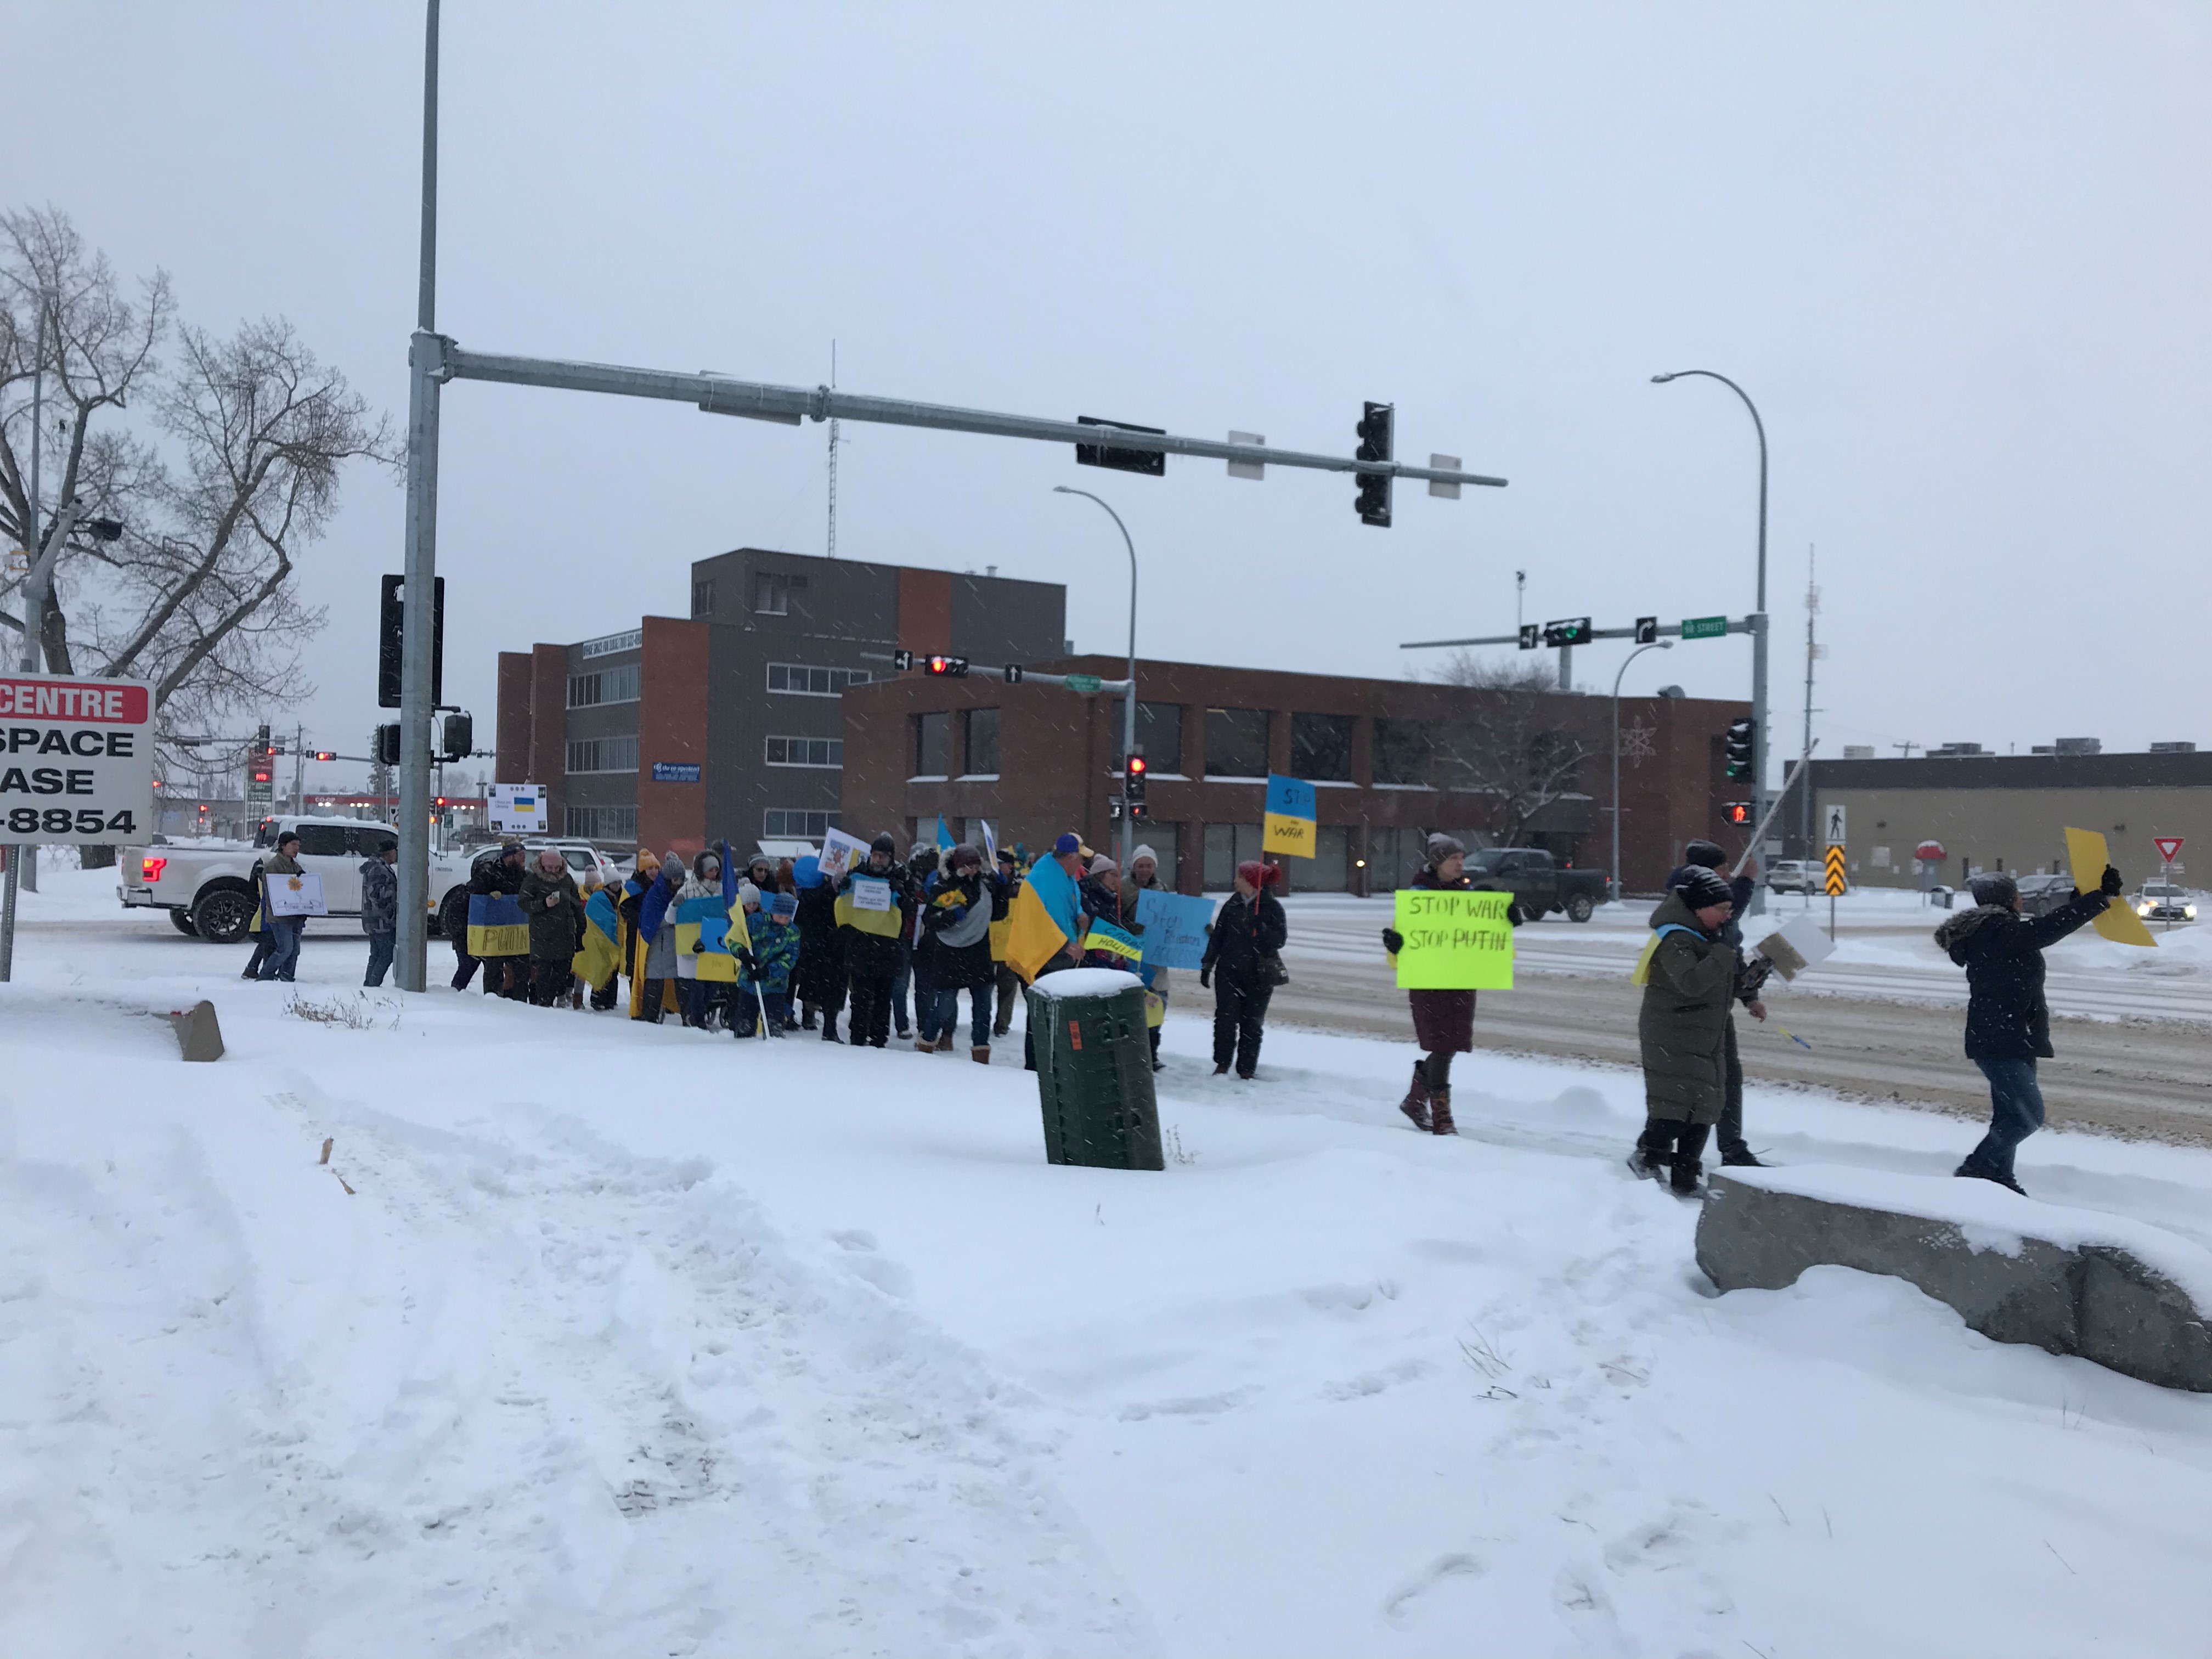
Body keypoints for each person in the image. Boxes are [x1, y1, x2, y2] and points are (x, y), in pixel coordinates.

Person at [1934, 864, 2119, 1195]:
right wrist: (2097, 899)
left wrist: (2081, 902)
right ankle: (1975, 1169)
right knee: (2028, 1117)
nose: (2022, 900)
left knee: (2009, 1116)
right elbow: (2046, 930)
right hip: (2000, 1039)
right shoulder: (1997, 932)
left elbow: (2042, 929)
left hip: (2012, 1037)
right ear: (2009, 901)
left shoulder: (1995, 930)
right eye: (2018, 894)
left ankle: (2001, 1181)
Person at [1380, 833, 1526, 1136]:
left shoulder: (1469, 896)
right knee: (1442, 1046)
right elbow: (1402, 947)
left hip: (1460, 982)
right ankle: (1442, 1118)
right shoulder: (1418, 898)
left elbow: (1484, 938)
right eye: (1453, 858)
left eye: (1462, 857)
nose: (1461, 863)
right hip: (1429, 983)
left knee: (1452, 1044)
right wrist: (1395, 945)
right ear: (1437, 863)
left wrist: (1507, 920)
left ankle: (1416, 1099)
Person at [1630, 867, 1741, 1195]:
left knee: (1705, 1107)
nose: (1727, 916)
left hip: (1705, 1035)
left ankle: (1686, 1177)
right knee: (1674, 1105)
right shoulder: (1675, 938)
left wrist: (1749, 985)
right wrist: (1723, 952)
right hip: (1672, 1033)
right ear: (1698, 907)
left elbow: (1718, 984)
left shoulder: (1708, 937)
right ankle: (1648, 1158)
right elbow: (1692, 982)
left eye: (1728, 910)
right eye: (1720, 909)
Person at [1663, 838, 1771, 1166]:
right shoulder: (1686, 907)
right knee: (1694, 1086)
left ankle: (1731, 1148)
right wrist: (1747, 883)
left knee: (1726, 1079)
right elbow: (1719, 946)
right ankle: (1654, 1148)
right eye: (1723, 869)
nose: (1729, 873)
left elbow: (1728, 954)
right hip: (1692, 1011)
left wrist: (1749, 993)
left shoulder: (1712, 907)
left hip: (1717, 1005)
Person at [1200, 860, 1286, 1080]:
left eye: (1239, 876)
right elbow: (1218, 937)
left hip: (1259, 974)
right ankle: (1222, 1063)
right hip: (1229, 972)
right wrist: (1208, 964)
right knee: (1225, 1019)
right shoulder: (1232, 905)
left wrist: (1263, 928)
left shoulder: (1272, 907)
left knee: (1252, 1022)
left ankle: (1247, 1068)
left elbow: (1279, 940)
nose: (1235, 880)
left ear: (1250, 880)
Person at [920, 844, 997, 1060]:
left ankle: (981, 1051)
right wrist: (953, 916)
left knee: (983, 1007)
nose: (974, 870)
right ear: (959, 866)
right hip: (950, 956)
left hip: (979, 953)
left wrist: (1002, 889)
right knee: (945, 1005)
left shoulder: (985, 886)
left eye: (976, 865)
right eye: (969, 866)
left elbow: (998, 914)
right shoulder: (943, 886)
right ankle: (927, 1042)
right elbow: (930, 919)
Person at [841, 833, 912, 1048]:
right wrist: (842, 885)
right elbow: (841, 897)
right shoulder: (858, 873)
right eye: (874, 855)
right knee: (860, 996)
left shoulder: (901, 876)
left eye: (882, 856)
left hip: (889, 947)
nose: (877, 860)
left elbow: (911, 910)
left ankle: (879, 1038)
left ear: (891, 857)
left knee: (883, 997)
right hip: (861, 944)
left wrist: (901, 894)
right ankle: (858, 1036)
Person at [792, 854, 848, 1040]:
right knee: (833, 987)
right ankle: (829, 1027)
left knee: (811, 982)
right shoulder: (825, 893)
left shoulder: (802, 897)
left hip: (812, 947)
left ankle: (810, 1016)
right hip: (832, 946)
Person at [520, 847, 584, 1007]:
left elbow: (576, 905)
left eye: (557, 868)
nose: (554, 871)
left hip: (564, 935)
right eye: (550, 868)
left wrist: (581, 926)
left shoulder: (567, 880)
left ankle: (556, 999)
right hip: (542, 935)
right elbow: (523, 903)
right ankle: (544, 1004)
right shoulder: (533, 880)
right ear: (542, 865)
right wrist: (544, 904)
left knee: (562, 972)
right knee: (544, 973)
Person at [733, 879, 799, 1037]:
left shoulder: (792, 932)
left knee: (774, 1027)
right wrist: (742, 954)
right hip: (749, 983)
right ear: (773, 911)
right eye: (780, 916)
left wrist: (768, 971)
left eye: (787, 917)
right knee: (745, 1025)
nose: (784, 920)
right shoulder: (755, 922)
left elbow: (790, 958)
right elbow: (734, 940)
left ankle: (772, 1054)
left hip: (775, 986)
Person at [625, 850, 685, 1021]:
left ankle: (682, 1014)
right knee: (654, 982)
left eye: (680, 880)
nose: (678, 883)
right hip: (656, 945)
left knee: (679, 981)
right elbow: (650, 921)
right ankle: (649, 1016)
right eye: (675, 880)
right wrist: (674, 915)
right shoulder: (654, 894)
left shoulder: (678, 891)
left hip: (675, 946)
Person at [1127, 843, 1170, 1070]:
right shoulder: (1123, 890)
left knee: (1157, 1007)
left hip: (1157, 960)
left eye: (1149, 865)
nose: (1145, 869)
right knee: (1134, 1008)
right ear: (1133, 866)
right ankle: (1135, 1053)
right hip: (1132, 959)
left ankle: (1152, 1054)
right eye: (1141, 865)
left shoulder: (1163, 888)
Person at [675, 848, 726, 1028]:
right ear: (701, 870)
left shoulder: (721, 890)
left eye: (717, 870)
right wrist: (676, 905)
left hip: (715, 944)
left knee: (713, 986)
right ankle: (696, 1020)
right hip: (693, 945)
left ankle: (699, 1015)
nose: (715, 873)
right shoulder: (688, 889)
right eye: (711, 869)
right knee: (697, 986)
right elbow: (670, 917)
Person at [893, 839, 938, 1042]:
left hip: (924, 940)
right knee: (902, 985)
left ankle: (924, 1026)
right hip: (906, 937)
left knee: (924, 987)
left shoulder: (935, 884)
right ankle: (903, 1025)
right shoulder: (904, 880)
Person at [255, 830, 307, 983]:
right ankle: (265, 975)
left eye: (298, 845)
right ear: (283, 846)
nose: (297, 848)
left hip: (296, 915)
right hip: (280, 916)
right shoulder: (273, 866)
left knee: (294, 951)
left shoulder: (296, 866)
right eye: (293, 845)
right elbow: (275, 893)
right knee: (285, 949)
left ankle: (287, 976)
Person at [990, 845, 1023, 1039]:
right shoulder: (988, 881)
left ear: (1009, 866)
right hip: (990, 940)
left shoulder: (1021, 886)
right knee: (986, 985)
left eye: (1000, 864)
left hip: (1010, 943)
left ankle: (1002, 1024)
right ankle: (984, 1020)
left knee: (1008, 985)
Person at [359, 837, 399, 987]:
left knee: (376, 954)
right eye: (395, 852)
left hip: (374, 918)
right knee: (386, 954)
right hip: (382, 920)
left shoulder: (375, 866)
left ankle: (370, 983)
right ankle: (373, 983)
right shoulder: (379, 869)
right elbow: (377, 894)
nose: (396, 855)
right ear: (389, 853)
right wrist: (396, 890)